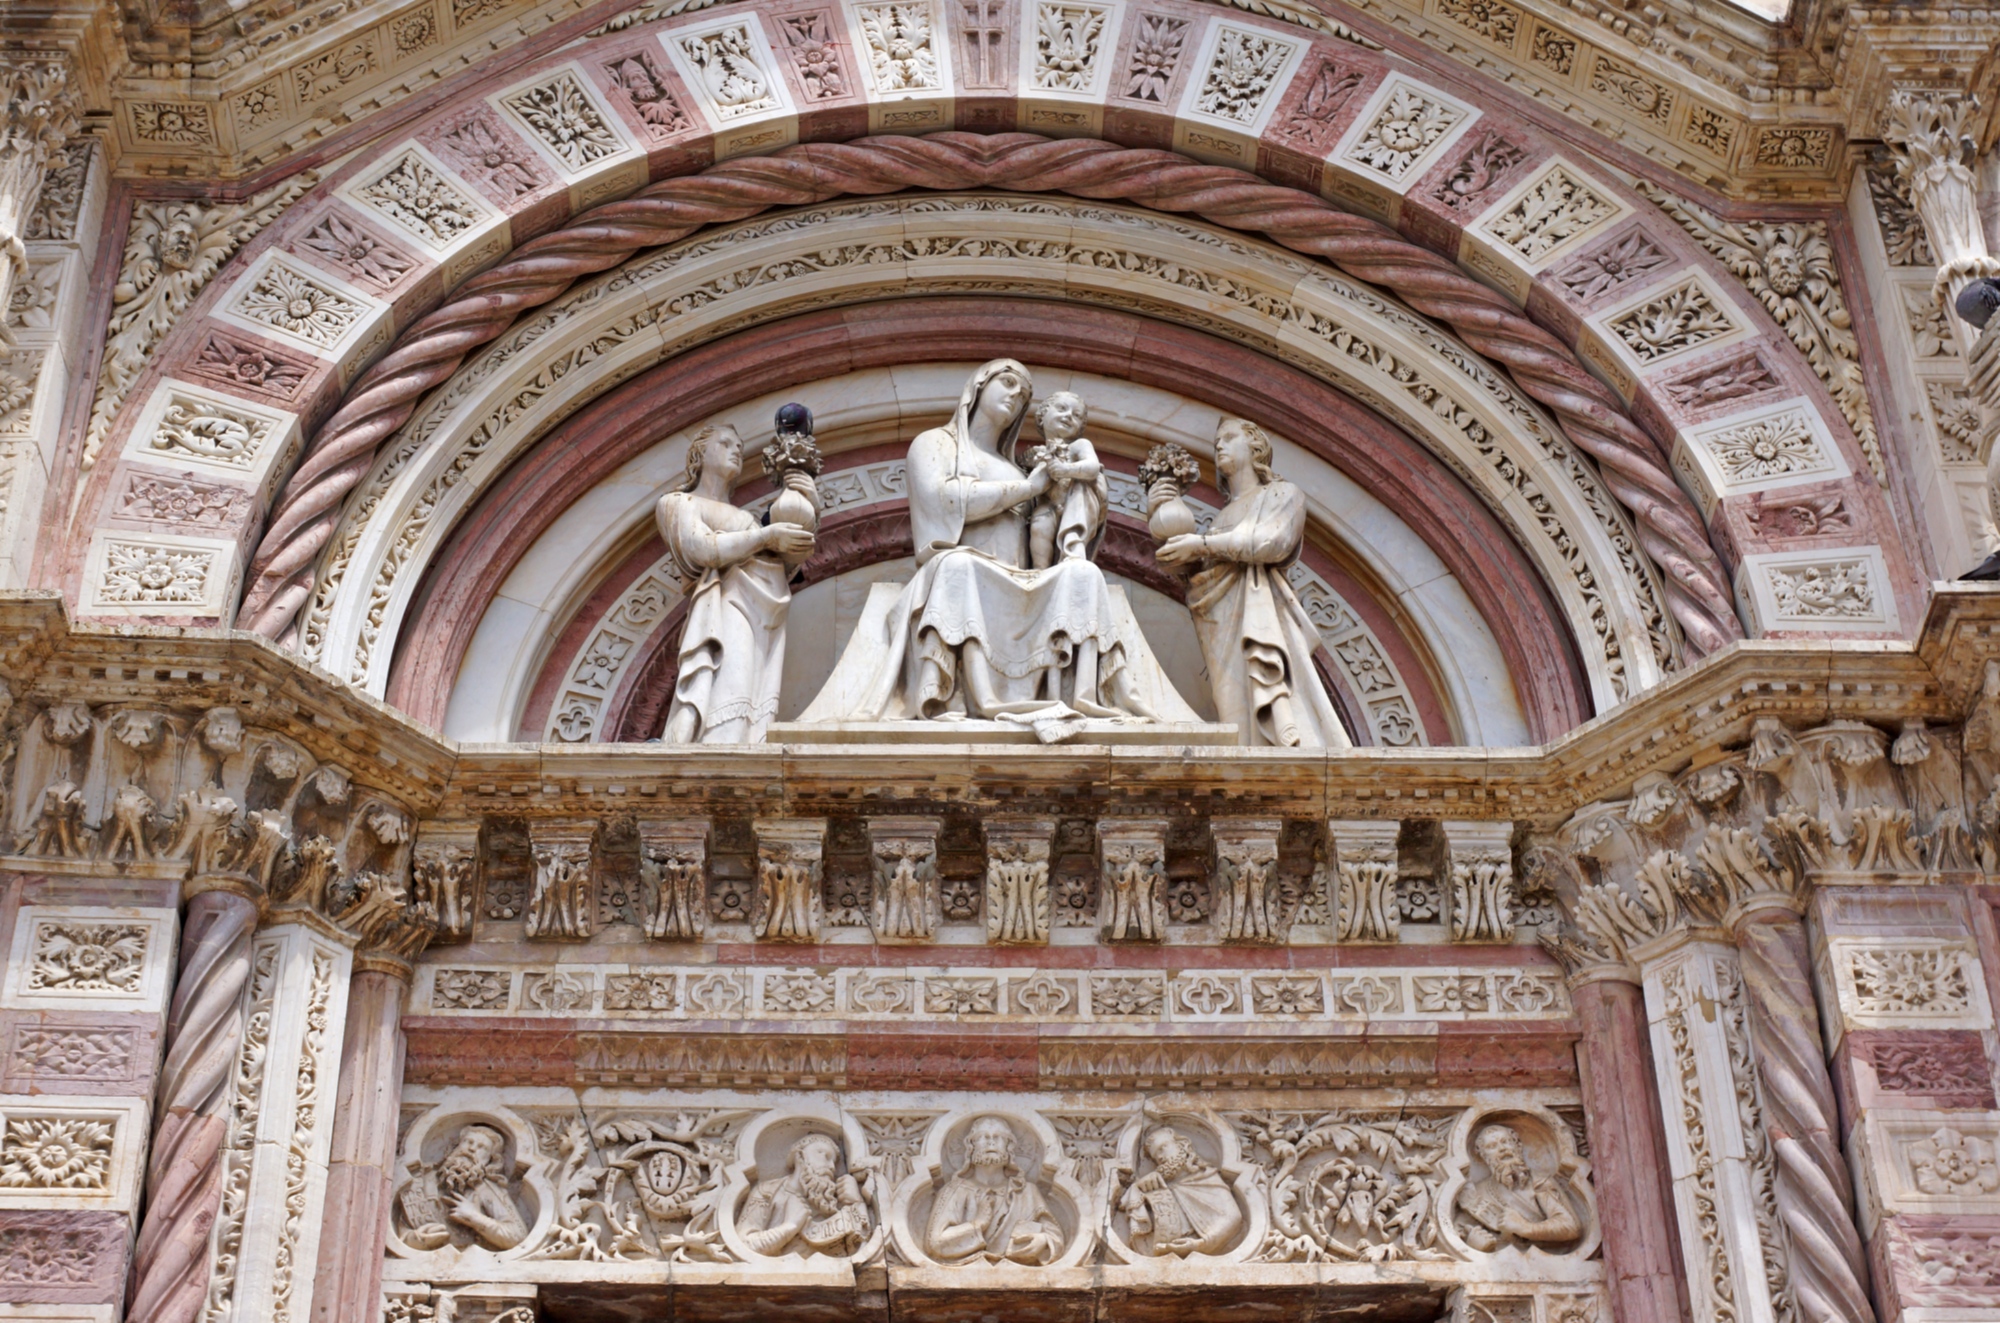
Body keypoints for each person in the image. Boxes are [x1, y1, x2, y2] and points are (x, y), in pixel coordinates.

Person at [835, 360, 1158, 735]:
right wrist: (1028, 489)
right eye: (1007, 383)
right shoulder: (936, 444)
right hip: (965, 568)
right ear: (978, 385)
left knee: (1083, 573)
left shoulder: (1018, 466)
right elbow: (944, 500)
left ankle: (1082, 695)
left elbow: (1047, 531)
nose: (1015, 395)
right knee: (957, 566)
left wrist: (1079, 493)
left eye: (1022, 393)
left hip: (1022, 580)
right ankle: (963, 697)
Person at [1153, 417, 1350, 748]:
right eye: (1218, 440)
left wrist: (1201, 544)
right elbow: (1198, 575)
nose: (1219, 445)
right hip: (1219, 624)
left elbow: (1271, 542)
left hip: (1262, 616)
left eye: (1229, 437)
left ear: (1256, 447)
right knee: (1232, 705)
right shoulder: (1222, 517)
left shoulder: (1283, 494)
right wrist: (1158, 510)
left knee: (1262, 688)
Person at [655, 424, 816, 743]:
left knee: (754, 695)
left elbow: (781, 567)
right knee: (731, 684)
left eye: (740, 446)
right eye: (725, 443)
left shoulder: (747, 521)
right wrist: (767, 535)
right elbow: (702, 549)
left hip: (765, 611)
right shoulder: (678, 503)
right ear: (700, 454)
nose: (736, 450)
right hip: (725, 607)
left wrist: (809, 507)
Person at [925, 1117, 1067, 1265]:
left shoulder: (1026, 1192)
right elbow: (935, 1243)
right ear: (971, 1146)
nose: (990, 1141)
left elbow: (1055, 1238)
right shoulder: (955, 1190)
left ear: (1009, 1146)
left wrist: (1041, 1240)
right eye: (982, 1137)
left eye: (998, 1137)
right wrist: (977, 1224)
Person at [1453, 1123, 1583, 1252]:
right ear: (1483, 1155)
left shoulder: (1539, 1182)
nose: (1502, 1149)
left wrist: (1525, 1227)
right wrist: (1474, 1245)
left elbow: (1570, 1226)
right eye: (1492, 1146)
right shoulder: (1477, 1193)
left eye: (1505, 1142)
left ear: (1517, 1145)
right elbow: (1459, 1233)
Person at [739, 1133, 872, 1257]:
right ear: (800, 1156)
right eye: (823, 1155)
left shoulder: (832, 1201)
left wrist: (857, 1203)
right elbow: (745, 1245)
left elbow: (860, 1251)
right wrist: (790, 1226)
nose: (832, 1167)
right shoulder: (767, 1191)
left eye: (834, 1161)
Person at [400, 1124, 529, 1251]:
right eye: (468, 1142)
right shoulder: (423, 1179)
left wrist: (473, 1217)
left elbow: (517, 1236)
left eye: (481, 1147)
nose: (472, 1149)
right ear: (456, 1147)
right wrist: (415, 1239)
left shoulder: (487, 1190)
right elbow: (397, 1227)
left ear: (490, 1160)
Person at [1119, 1127, 1243, 1256]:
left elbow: (1233, 1217)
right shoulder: (1158, 1188)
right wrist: (1139, 1188)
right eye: (1155, 1156)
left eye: (1163, 1148)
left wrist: (1201, 1244)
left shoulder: (1207, 1177)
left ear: (1182, 1145)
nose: (1160, 1157)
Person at [1026, 391, 1108, 568]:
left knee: (1080, 492)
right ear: (1042, 415)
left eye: (1076, 415)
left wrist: (1066, 469)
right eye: (1061, 408)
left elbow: (1092, 467)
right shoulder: (1038, 454)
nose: (1068, 416)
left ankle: (1073, 553)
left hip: (1075, 500)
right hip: (1049, 504)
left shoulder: (1079, 446)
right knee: (1039, 525)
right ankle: (1039, 571)